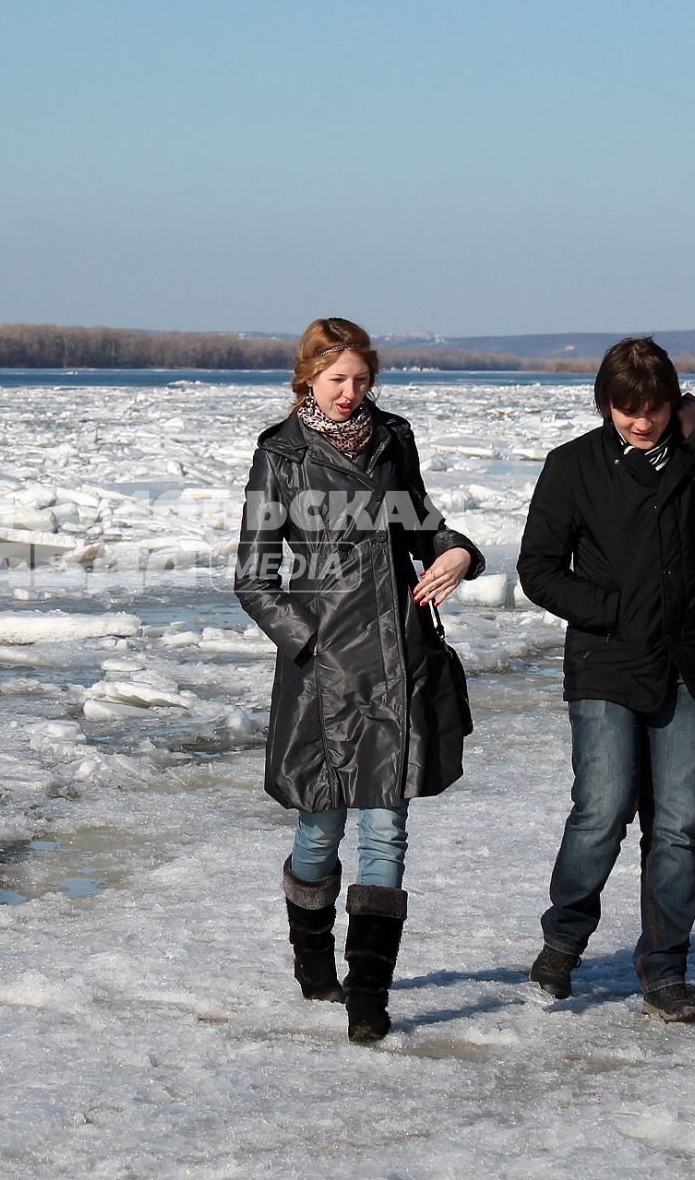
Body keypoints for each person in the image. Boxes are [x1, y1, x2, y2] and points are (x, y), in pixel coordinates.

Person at [235, 317, 483, 1043]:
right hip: (321, 676)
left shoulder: (392, 439)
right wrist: (309, 641)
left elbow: (422, 526)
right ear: (306, 377)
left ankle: (369, 997)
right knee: (320, 830)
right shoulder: (279, 457)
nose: (350, 394)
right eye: (337, 380)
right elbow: (253, 580)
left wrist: (457, 552)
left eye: (361, 380)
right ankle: (313, 959)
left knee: (386, 830)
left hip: (397, 659)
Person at [517, 336, 695, 1023]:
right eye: (626, 409)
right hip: (604, 665)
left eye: (652, 408)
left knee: (676, 828)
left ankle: (664, 972)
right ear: (606, 403)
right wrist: (611, 611)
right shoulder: (572, 466)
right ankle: (563, 942)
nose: (639, 422)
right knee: (599, 814)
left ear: (671, 404)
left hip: (687, 669)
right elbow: (537, 568)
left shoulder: (694, 458)